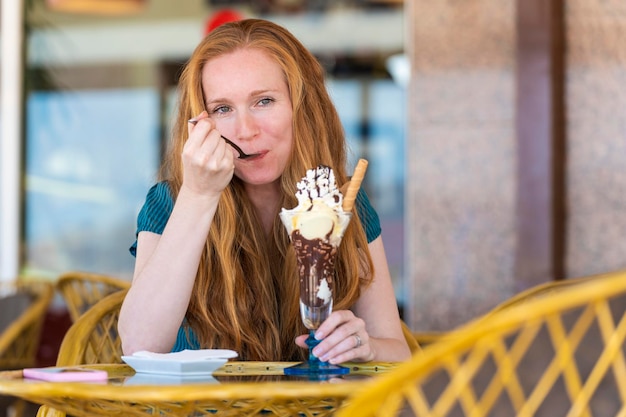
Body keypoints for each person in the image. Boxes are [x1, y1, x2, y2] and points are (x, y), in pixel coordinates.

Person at [118, 18, 412, 364]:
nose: (245, 130)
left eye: (264, 101)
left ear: (302, 108)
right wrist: (199, 195)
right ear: (201, 123)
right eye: (223, 109)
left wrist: (366, 346)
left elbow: (399, 354)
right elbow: (138, 346)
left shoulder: (343, 203)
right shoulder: (171, 203)